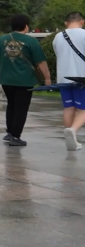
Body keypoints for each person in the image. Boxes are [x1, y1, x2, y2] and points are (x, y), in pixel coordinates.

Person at [0, 14, 50, 147]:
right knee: (21, 109)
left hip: (6, 80)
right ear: (26, 26)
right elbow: (41, 62)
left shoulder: (2, 39)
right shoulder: (31, 41)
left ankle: (10, 132)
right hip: (25, 81)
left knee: (11, 105)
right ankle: (16, 136)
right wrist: (47, 78)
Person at [53, 11, 85, 150]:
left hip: (63, 77)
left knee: (68, 107)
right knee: (83, 109)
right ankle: (72, 130)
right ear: (82, 22)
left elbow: (58, 54)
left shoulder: (58, 37)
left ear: (66, 23)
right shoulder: (84, 34)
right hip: (81, 77)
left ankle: (71, 139)